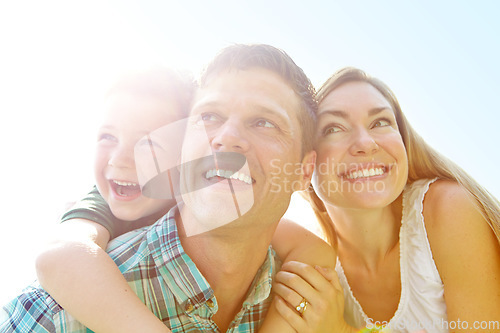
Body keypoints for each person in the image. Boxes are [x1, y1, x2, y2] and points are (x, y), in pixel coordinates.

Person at [1, 44, 337, 333]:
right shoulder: (61, 312)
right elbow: (61, 252)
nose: (227, 137)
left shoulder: (305, 302)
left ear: (304, 171)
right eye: (209, 116)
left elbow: (316, 251)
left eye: (264, 122)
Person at [275, 67, 500, 332]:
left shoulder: (448, 208)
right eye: (334, 128)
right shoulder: (316, 266)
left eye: (380, 122)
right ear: (306, 163)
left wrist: (339, 329)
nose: (365, 142)